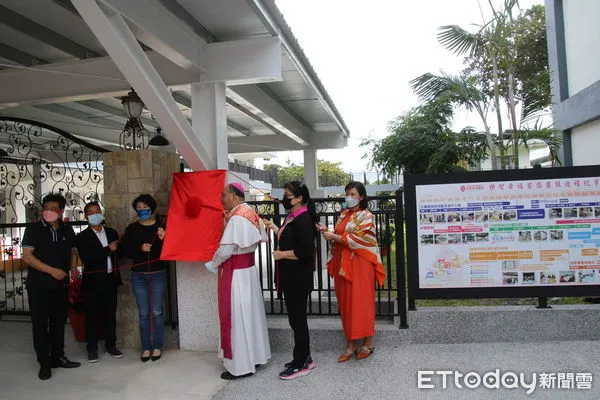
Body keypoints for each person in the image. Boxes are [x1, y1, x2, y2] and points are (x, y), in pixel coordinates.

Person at [205, 183, 271, 380]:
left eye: (223, 194)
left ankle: (240, 366)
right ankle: (256, 357)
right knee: (250, 317)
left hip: (236, 276)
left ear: (234, 196)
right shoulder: (250, 211)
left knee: (237, 319)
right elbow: (260, 237)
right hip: (248, 272)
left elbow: (226, 250)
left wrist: (213, 264)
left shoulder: (236, 218)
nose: (221, 198)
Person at [320, 181, 386, 362]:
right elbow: (340, 237)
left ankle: (369, 342)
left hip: (361, 264)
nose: (349, 197)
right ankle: (351, 343)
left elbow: (360, 239)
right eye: (347, 193)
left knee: (361, 302)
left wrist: (334, 236)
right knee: (346, 303)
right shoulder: (343, 215)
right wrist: (328, 232)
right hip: (343, 265)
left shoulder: (367, 216)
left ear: (362, 197)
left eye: (353, 194)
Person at [22, 193, 81, 380]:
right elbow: (28, 257)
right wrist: (51, 271)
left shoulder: (67, 230)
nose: (48, 212)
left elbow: (73, 252)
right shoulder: (33, 230)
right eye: (45, 208)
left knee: (58, 324)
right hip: (38, 286)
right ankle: (44, 362)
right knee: (40, 325)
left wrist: (73, 270)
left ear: (61, 211)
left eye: (53, 209)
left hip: (61, 286)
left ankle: (58, 357)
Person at [264, 181, 317, 380]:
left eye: (287, 195)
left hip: (298, 278)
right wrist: (276, 228)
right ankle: (306, 357)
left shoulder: (303, 218)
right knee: (296, 320)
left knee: (298, 320)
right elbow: (291, 238)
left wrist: (282, 255)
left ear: (299, 198)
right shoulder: (294, 216)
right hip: (291, 277)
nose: (285, 198)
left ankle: (301, 362)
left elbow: (305, 251)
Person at [74, 201, 123, 363]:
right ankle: (92, 349)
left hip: (110, 281)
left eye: (97, 211)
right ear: (86, 216)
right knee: (92, 316)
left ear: (101, 213)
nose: (95, 214)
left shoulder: (111, 232)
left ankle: (111, 346)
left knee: (110, 315)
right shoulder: (81, 237)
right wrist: (109, 249)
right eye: (91, 212)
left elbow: (119, 253)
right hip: (93, 284)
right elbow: (88, 258)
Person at [121, 194, 166, 362]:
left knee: (157, 311)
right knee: (144, 313)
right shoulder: (132, 228)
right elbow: (125, 250)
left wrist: (163, 238)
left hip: (157, 274)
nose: (141, 210)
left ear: (152, 208)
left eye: (144, 207)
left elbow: (168, 252)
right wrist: (140, 248)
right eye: (138, 208)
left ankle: (158, 346)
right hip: (138, 275)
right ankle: (146, 347)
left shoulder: (161, 226)